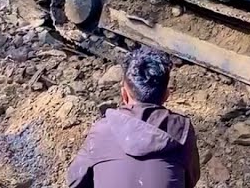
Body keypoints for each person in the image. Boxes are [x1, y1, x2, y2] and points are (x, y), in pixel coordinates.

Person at [67, 47, 201, 188]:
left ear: (124, 95)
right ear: (166, 96)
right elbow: (190, 180)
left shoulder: (102, 131)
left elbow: (76, 180)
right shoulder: (182, 132)